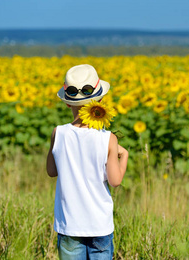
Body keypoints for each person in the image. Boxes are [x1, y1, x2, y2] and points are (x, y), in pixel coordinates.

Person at [47, 64, 128, 259]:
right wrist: (123, 156)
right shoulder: (108, 138)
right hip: (99, 225)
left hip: (69, 225)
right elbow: (115, 181)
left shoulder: (58, 133)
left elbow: (51, 171)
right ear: (100, 100)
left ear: (67, 103)